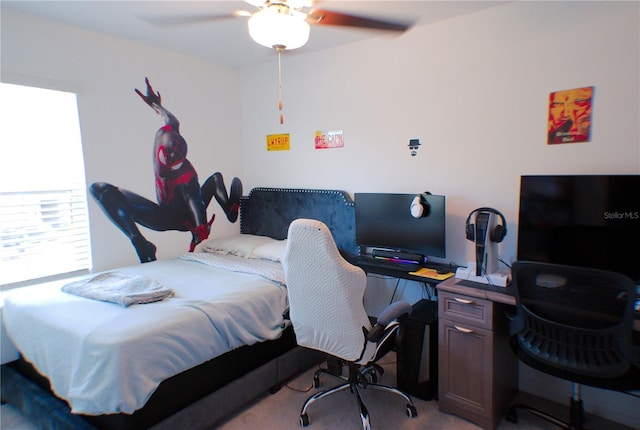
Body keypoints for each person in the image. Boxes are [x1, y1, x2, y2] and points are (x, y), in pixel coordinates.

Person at [90, 78, 241, 262]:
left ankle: (231, 210)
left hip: (184, 220)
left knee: (215, 179)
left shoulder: (185, 177)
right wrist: (155, 104)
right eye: (169, 163)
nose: (173, 167)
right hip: (164, 214)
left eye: (177, 163)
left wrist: (199, 229)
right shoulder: (167, 131)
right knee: (99, 188)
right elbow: (170, 117)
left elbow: (194, 201)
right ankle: (140, 243)